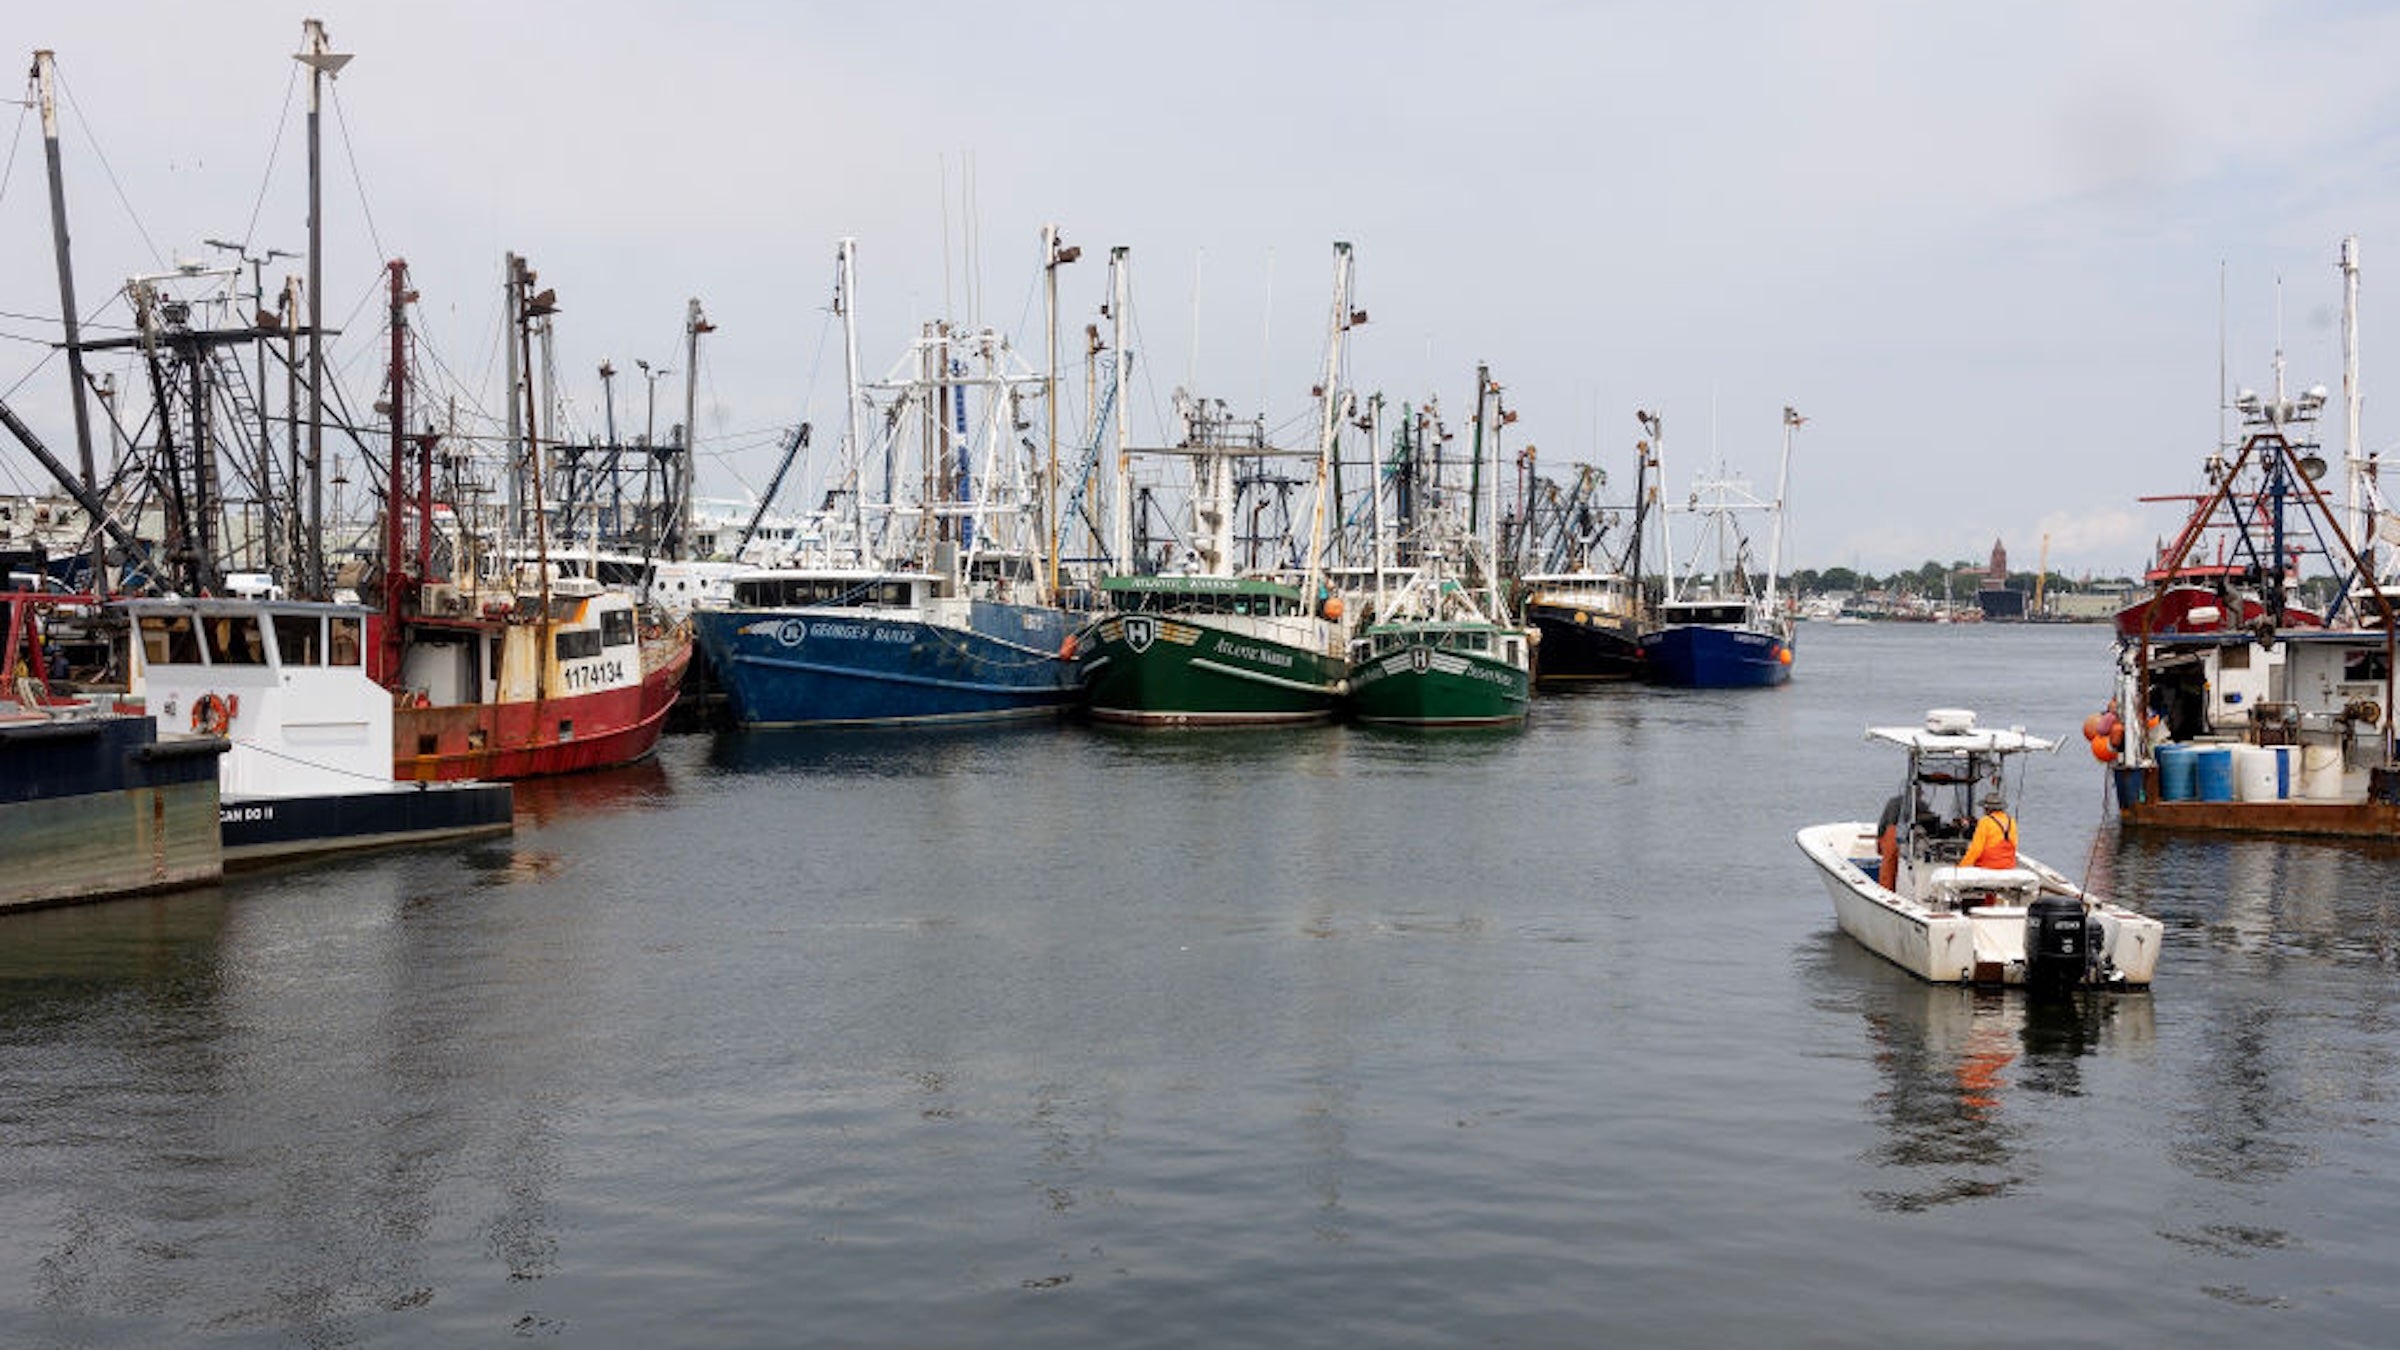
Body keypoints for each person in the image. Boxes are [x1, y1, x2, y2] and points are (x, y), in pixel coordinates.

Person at [1960, 790, 2018, 869]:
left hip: (1988, 864)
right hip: (2008, 865)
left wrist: (1962, 866)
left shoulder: (1985, 821)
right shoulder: (2012, 821)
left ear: (1987, 809)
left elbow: (1976, 849)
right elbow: (2014, 845)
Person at [1875, 792, 1905, 889]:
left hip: (1892, 834)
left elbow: (1883, 822)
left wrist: (1879, 838)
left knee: (1888, 867)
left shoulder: (1892, 801)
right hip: (1901, 834)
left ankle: (1886, 890)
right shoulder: (1920, 803)